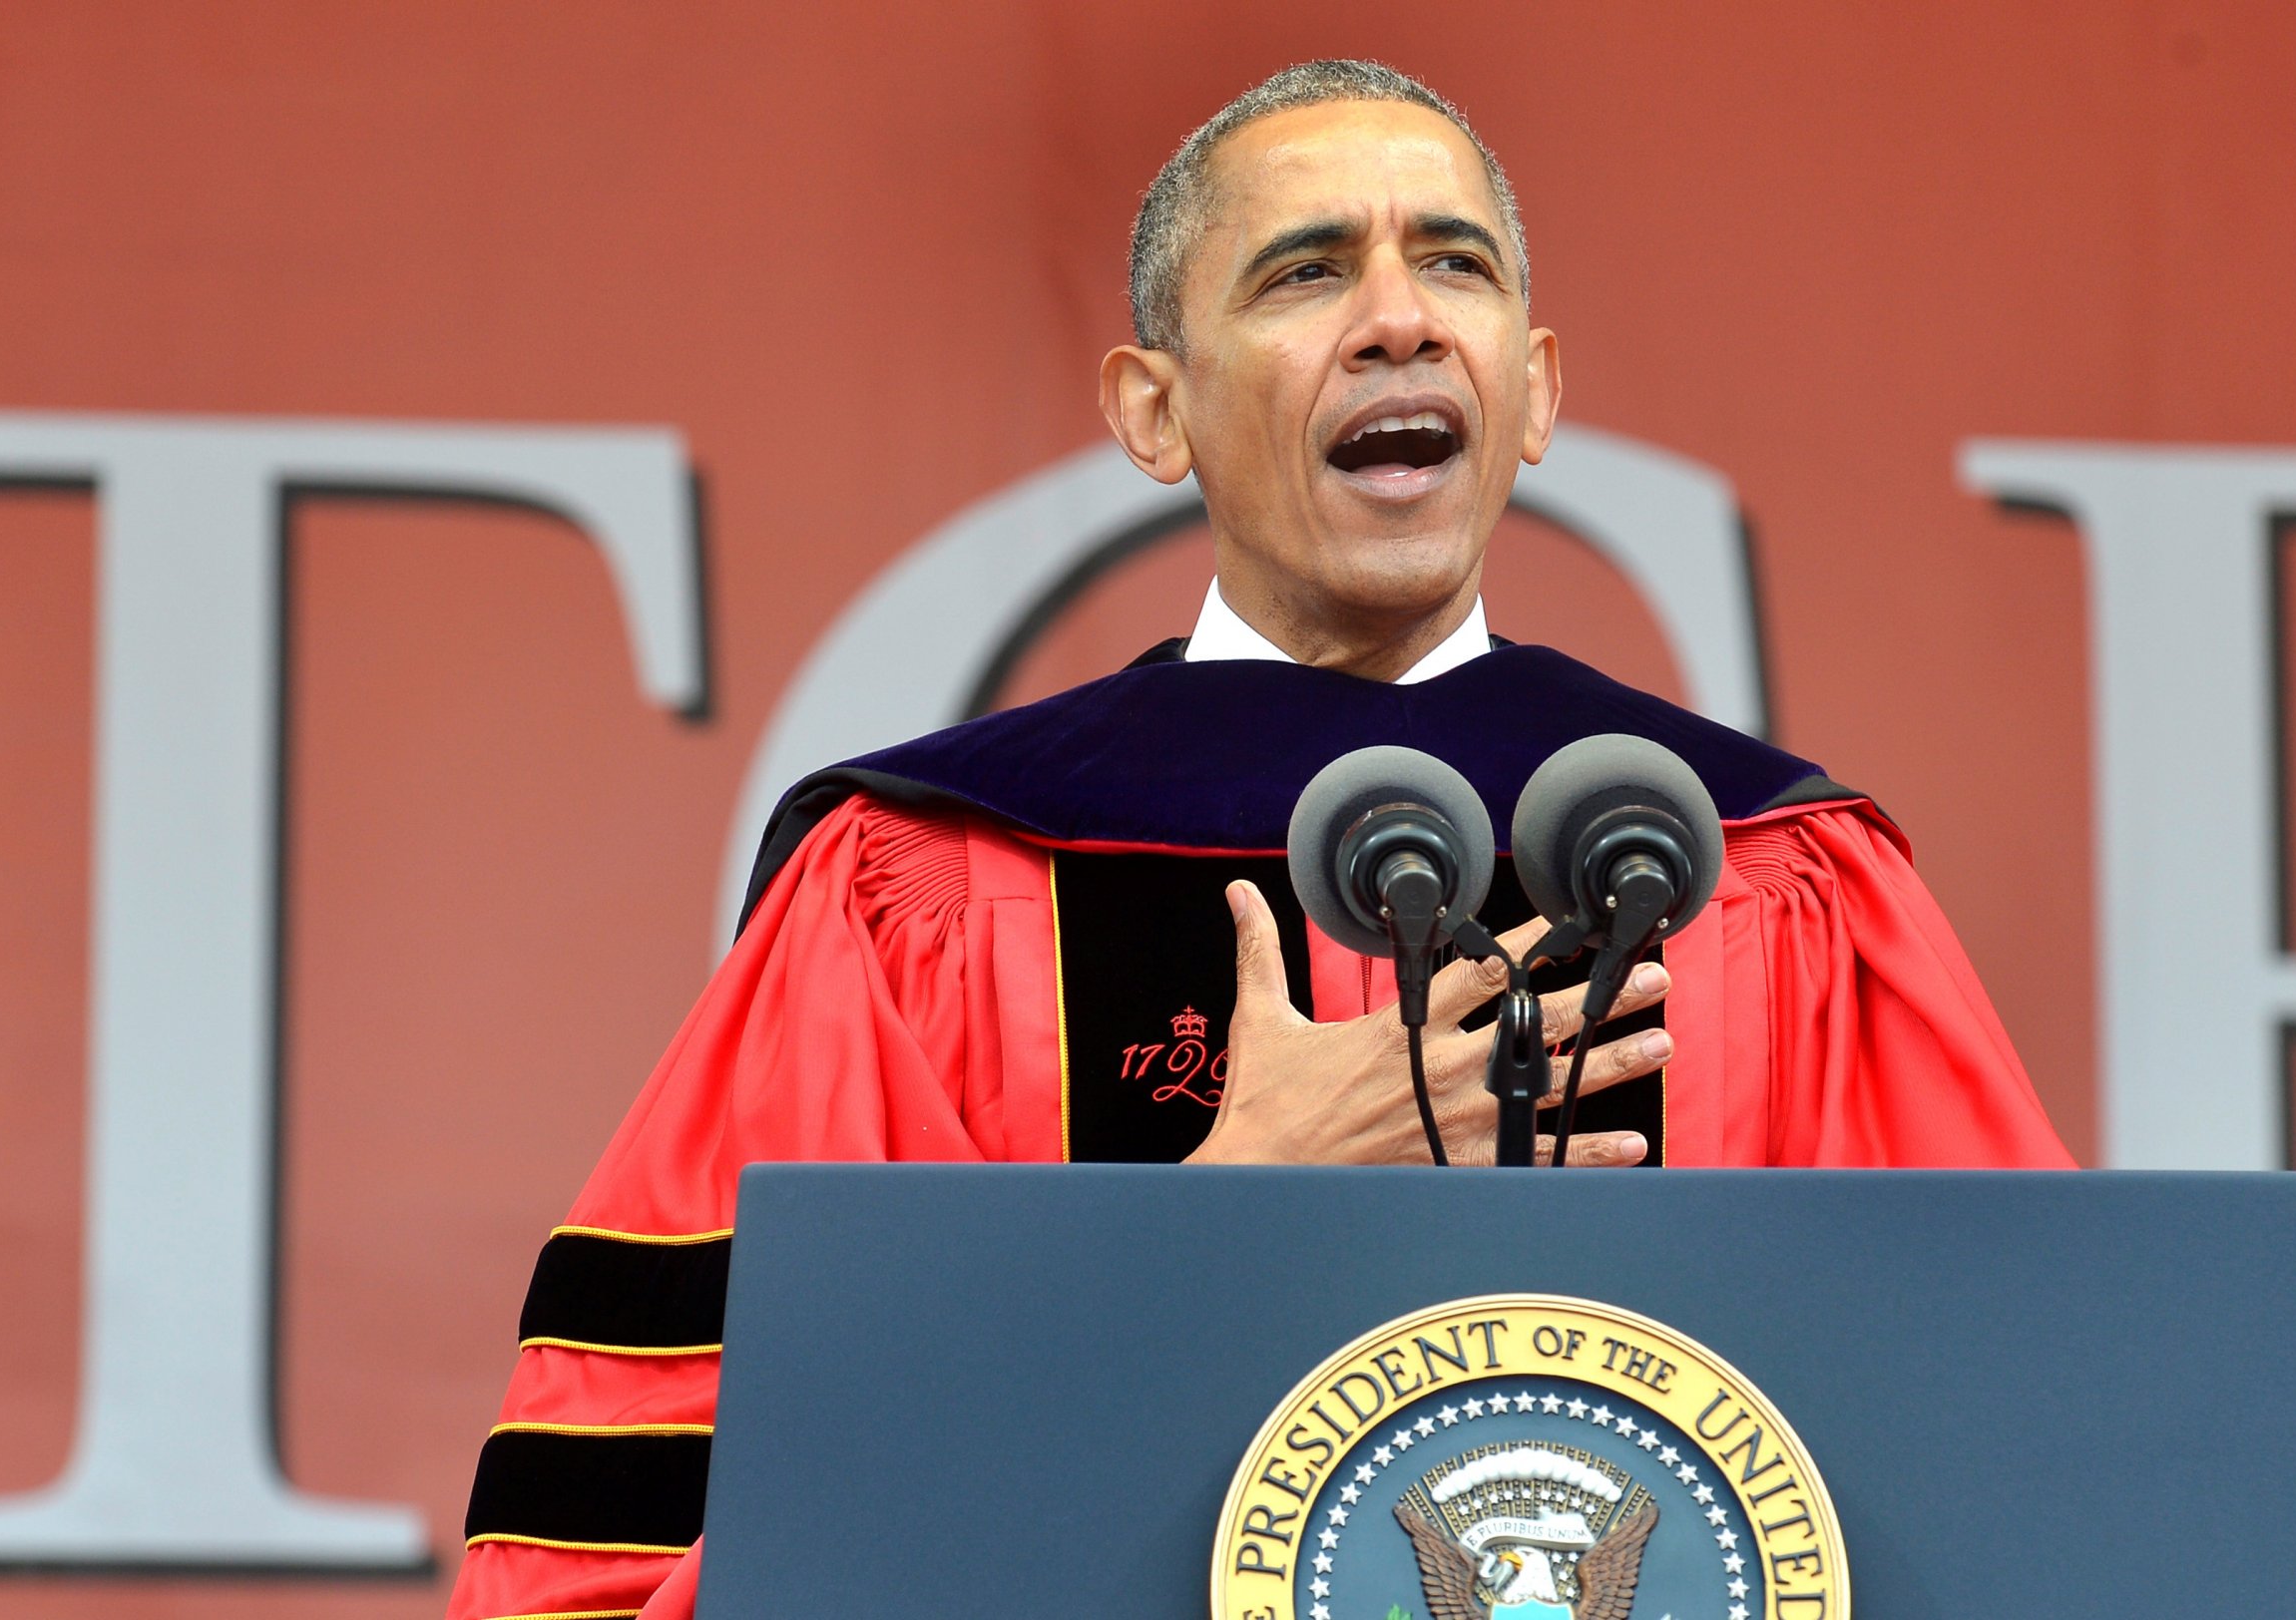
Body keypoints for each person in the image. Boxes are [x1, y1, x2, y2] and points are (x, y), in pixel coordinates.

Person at [444, 60, 2071, 1620]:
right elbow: (712, 1525)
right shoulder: (914, 886)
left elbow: (2027, 1459)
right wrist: (1220, 1208)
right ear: (1157, 413)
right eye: (1305, 274)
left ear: (1536, 392)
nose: (1398, 320)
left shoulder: (1778, 876)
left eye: (1455, 263)